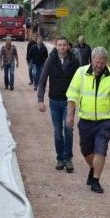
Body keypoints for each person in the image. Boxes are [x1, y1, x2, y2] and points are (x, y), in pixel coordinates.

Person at [66, 47, 110, 194]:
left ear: (106, 61)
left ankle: (96, 180)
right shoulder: (81, 73)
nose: (99, 65)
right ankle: (93, 168)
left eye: (102, 62)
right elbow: (72, 95)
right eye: (97, 62)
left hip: (104, 121)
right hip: (86, 120)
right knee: (85, 150)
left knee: (101, 149)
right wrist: (70, 116)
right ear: (92, 60)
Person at [37, 37, 79, 172]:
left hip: (69, 101)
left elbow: (81, 82)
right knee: (57, 132)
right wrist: (40, 100)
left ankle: (68, 158)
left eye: (64, 45)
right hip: (54, 101)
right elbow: (42, 80)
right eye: (59, 45)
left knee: (68, 128)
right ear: (56, 46)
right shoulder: (51, 60)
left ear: (68, 46)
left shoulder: (74, 61)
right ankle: (60, 158)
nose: (62, 47)